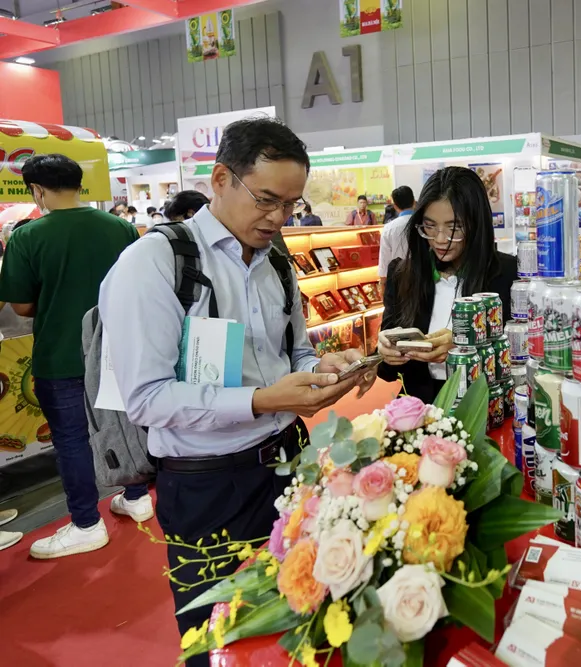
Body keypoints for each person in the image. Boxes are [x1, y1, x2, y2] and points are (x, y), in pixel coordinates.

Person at [99, 117, 376, 663]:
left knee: (301, 618)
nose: (278, 218)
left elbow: (292, 353)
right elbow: (148, 398)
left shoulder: (276, 260)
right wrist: (264, 400)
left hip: (290, 467)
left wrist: (325, 365)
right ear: (221, 178)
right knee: (218, 637)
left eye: (291, 205)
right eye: (266, 200)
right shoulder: (156, 262)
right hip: (207, 487)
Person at [0, 153, 152, 559]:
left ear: (37, 190)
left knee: (71, 441)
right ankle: (137, 496)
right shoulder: (121, 227)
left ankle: (86, 523)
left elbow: (21, 306)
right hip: (117, 350)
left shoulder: (28, 236)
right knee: (125, 424)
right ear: (78, 184)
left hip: (61, 352)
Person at [377, 167, 517, 403]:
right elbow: (387, 371)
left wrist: (467, 345)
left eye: (454, 227)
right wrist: (385, 352)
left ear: (477, 224)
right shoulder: (403, 274)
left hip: (487, 408)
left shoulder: (509, 275)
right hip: (421, 411)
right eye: (430, 226)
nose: (440, 239)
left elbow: (522, 356)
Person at [378, 185, 416, 292]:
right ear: (414, 202)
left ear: (395, 206)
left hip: (398, 279)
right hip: (424, 277)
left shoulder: (389, 228)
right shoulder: (425, 223)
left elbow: (384, 260)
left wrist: (383, 284)